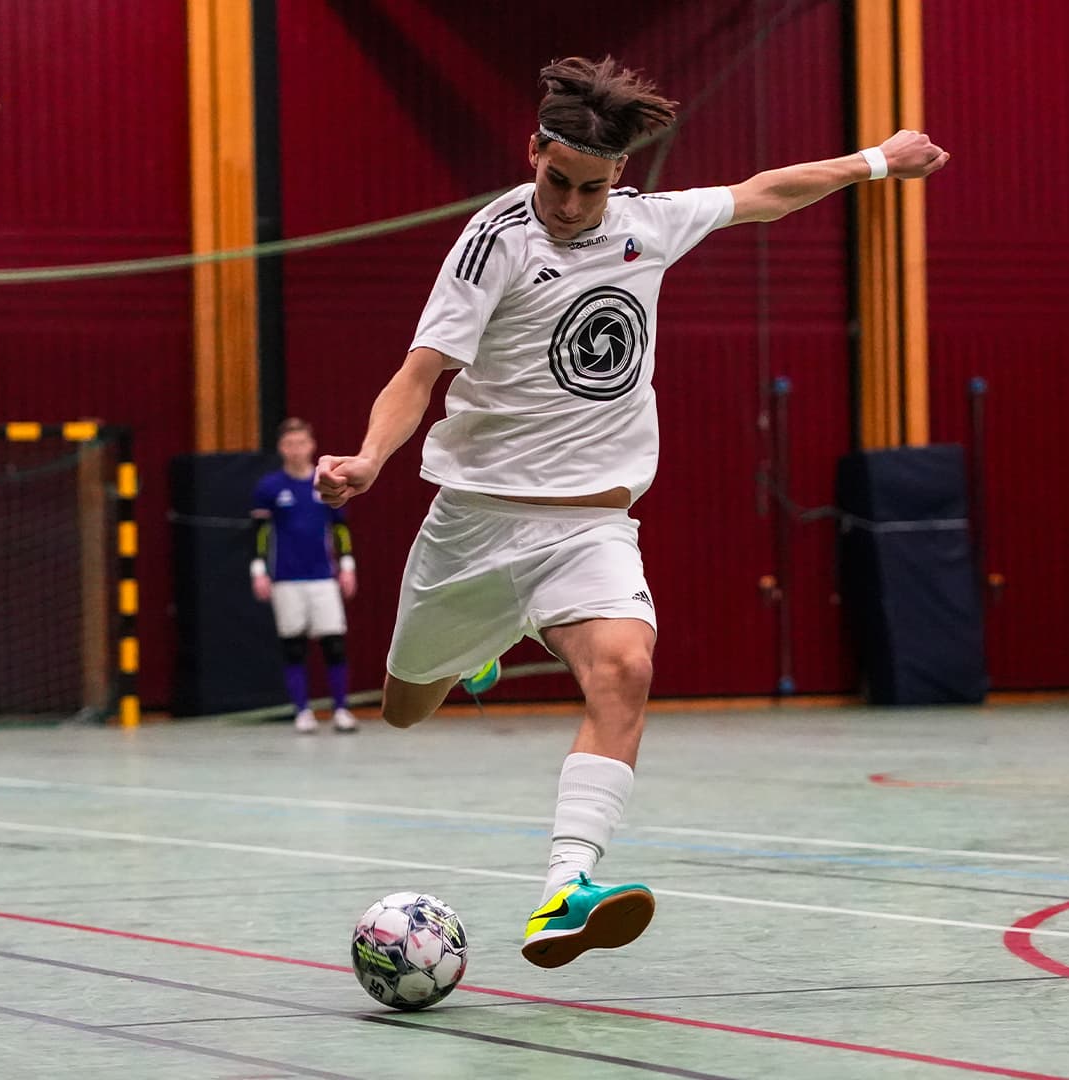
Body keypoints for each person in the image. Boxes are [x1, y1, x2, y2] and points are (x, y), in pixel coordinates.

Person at [315, 56, 948, 967]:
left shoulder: (647, 227)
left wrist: (878, 161)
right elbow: (421, 372)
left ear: (622, 179)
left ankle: (564, 887)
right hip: (480, 523)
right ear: (533, 152)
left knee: (626, 666)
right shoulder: (493, 241)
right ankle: (483, 652)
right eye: (555, 180)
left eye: (590, 188)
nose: (569, 205)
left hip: (592, 526)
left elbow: (762, 193)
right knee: (408, 709)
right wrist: (372, 457)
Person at [252, 418, 359, 734]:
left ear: (312, 446)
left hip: (323, 577)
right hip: (286, 578)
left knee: (334, 645)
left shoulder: (324, 482)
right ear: (281, 448)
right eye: (289, 444)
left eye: (301, 443)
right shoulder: (269, 488)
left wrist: (348, 566)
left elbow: (340, 528)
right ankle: (302, 711)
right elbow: (260, 534)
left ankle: (341, 710)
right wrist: (259, 571)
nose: (296, 450)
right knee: (294, 647)